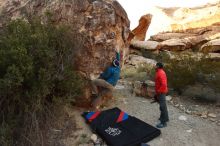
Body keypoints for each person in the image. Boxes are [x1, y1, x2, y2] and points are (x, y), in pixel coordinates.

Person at [155, 62, 169, 128]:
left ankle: (164, 122)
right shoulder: (158, 71)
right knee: (161, 106)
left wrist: (159, 91)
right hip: (160, 92)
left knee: (163, 107)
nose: (155, 66)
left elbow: (164, 84)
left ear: (158, 66)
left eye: (156, 65)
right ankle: (161, 117)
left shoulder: (161, 73)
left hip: (161, 92)